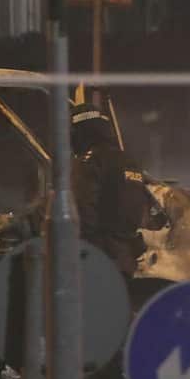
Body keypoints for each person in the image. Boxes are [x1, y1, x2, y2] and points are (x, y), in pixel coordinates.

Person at [70, 103, 152, 276]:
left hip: (96, 259)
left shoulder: (90, 161)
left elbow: (81, 209)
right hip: (126, 258)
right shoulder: (128, 161)